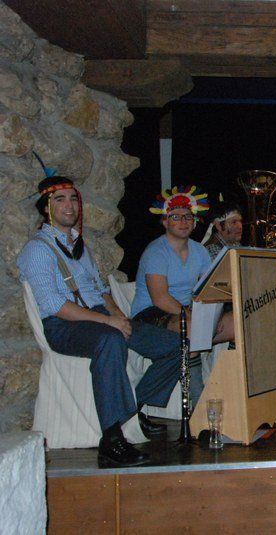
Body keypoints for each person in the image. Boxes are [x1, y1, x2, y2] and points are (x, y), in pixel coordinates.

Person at [17, 176, 181, 467]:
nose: (69, 205)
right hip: (64, 326)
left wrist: (116, 314)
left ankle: (135, 405)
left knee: (176, 344)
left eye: (73, 198)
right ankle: (112, 439)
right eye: (60, 199)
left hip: (99, 318)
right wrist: (107, 323)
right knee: (110, 339)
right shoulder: (37, 249)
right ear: (46, 208)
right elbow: (54, 306)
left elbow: (101, 290)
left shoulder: (80, 246)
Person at [130, 186, 236, 400]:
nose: (183, 221)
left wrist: (213, 312)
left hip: (185, 312)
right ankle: (197, 405)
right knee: (192, 329)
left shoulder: (199, 251)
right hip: (150, 315)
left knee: (238, 323)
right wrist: (194, 317)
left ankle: (230, 392)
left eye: (188, 216)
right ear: (165, 222)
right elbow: (160, 298)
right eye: (176, 217)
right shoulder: (156, 252)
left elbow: (208, 289)